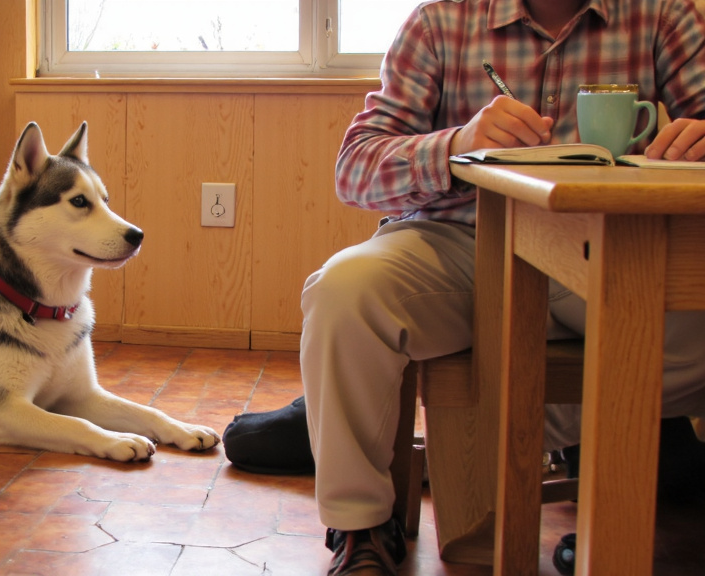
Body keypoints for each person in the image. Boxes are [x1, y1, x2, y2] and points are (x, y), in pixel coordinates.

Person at [296, 0, 705, 574]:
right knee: (342, 293)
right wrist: (457, 142)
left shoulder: (663, 16)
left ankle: (519, 425)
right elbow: (355, 170)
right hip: (457, 244)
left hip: (614, 257)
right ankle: (360, 526)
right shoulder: (439, 21)